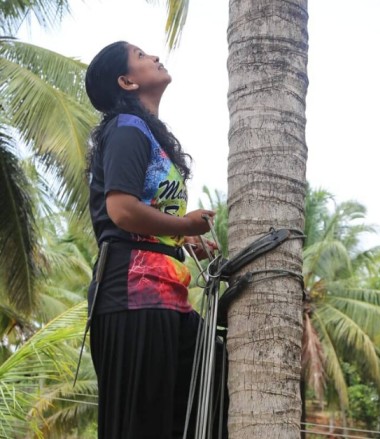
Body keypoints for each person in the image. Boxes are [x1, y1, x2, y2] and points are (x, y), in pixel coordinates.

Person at [85, 41, 217, 438]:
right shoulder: (126, 130)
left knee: (210, 391)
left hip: (165, 293)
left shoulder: (146, 133)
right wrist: (184, 227)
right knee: (144, 426)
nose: (154, 57)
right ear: (126, 81)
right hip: (131, 296)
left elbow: (146, 214)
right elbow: (122, 210)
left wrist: (185, 241)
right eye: (142, 57)